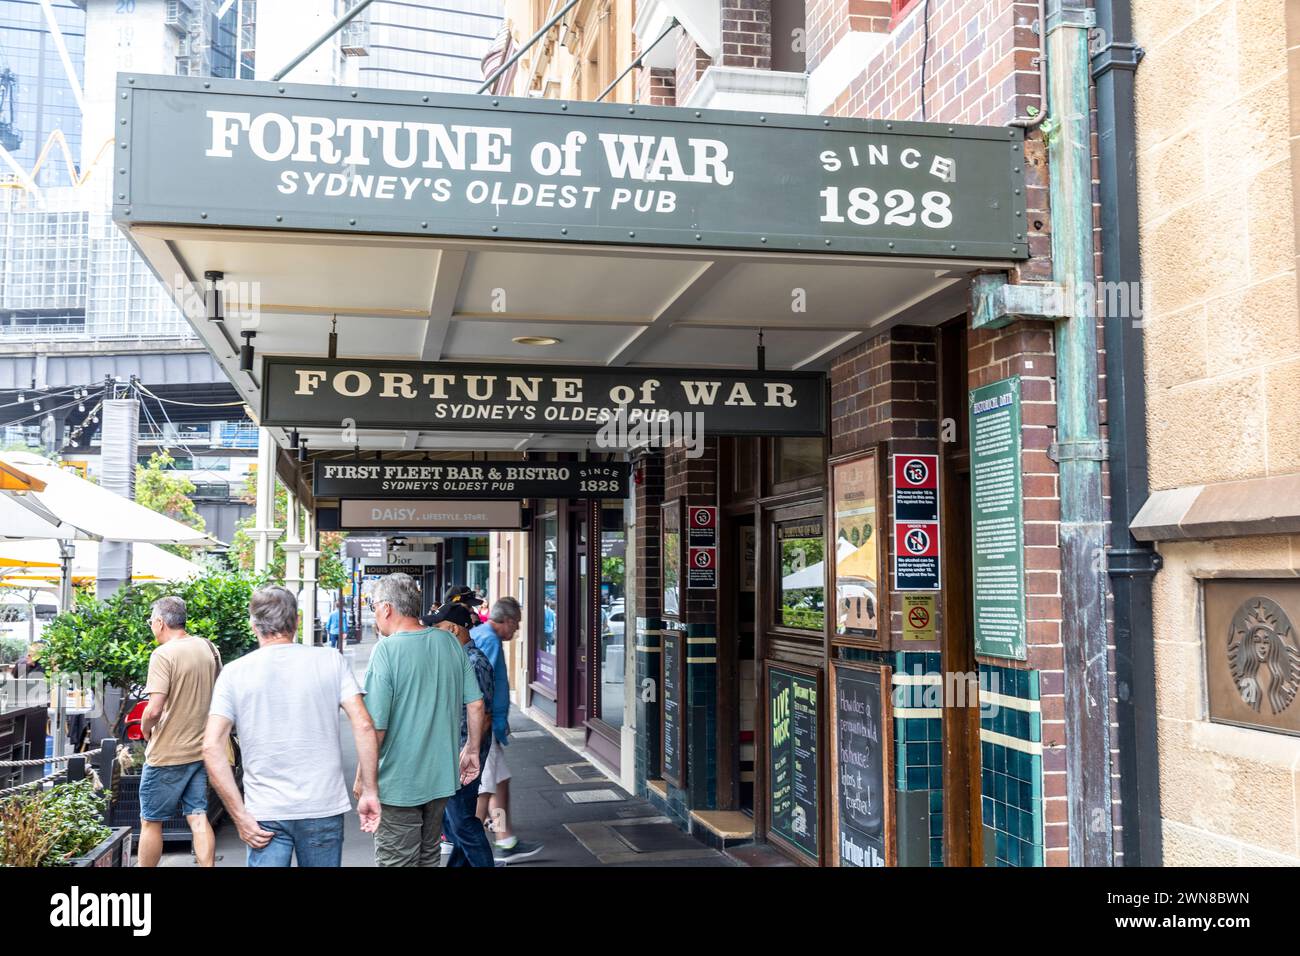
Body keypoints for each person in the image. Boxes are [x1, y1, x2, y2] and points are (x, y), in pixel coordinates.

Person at [203, 586, 380, 867]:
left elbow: (211, 747)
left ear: (253, 624)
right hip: (322, 805)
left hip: (264, 811)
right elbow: (364, 726)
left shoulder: (234, 673)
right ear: (296, 621)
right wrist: (370, 790)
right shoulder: (330, 661)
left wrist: (240, 816)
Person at [360, 573, 485, 867]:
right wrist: (472, 750)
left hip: (398, 782)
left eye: (374, 606)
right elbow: (476, 704)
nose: (375, 614)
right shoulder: (449, 642)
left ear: (387, 608)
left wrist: (364, 780)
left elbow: (374, 727)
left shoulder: (386, 651)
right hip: (441, 777)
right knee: (428, 856)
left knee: (397, 861)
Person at [138, 596, 219, 868]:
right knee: (198, 817)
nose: (152, 626)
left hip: (167, 754)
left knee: (150, 821)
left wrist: (144, 728)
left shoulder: (163, 655)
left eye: (152, 621)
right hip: (199, 750)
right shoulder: (208, 647)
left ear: (160, 622)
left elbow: (154, 710)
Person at [472, 596, 543, 863]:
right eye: (517, 624)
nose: (517, 630)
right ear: (509, 620)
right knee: (485, 788)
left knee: (499, 783)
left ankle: (505, 839)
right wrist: (486, 723)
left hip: (487, 728)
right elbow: (482, 684)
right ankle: (469, 845)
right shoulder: (489, 639)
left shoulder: (481, 634)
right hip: (484, 729)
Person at [430, 601, 496, 868]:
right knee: (456, 823)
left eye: (440, 628)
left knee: (463, 823)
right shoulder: (460, 659)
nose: (436, 634)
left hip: (464, 756)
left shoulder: (473, 662)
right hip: (455, 752)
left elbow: (485, 715)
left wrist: (469, 751)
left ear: (454, 629)